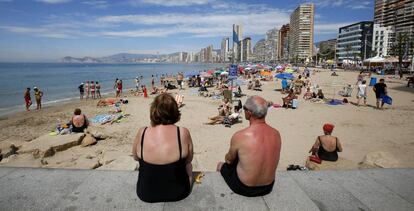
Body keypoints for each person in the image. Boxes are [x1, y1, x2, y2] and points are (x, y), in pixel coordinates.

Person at [132, 93, 193, 202]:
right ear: (175, 111)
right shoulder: (182, 132)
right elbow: (189, 160)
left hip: (145, 193)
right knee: (189, 166)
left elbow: (136, 157)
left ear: (153, 111)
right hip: (179, 193)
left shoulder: (143, 132)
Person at [217, 96, 281, 197]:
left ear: (249, 113)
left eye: (244, 108)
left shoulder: (241, 136)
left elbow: (229, 161)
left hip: (245, 187)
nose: (243, 110)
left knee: (221, 165)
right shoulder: (276, 134)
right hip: (268, 186)